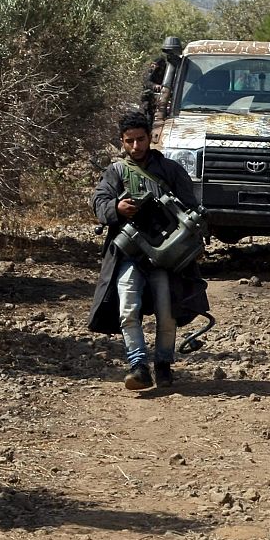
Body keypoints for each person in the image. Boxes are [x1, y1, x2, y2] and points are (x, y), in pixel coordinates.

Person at [87, 110, 202, 390]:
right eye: (130, 141)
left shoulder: (171, 170)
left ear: (150, 138)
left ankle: (163, 365)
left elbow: (192, 207)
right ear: (122, 142)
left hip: (165, 256)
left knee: (167, 312)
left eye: (141, 139)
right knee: (127, 308)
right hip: (130, 254)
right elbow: (99, 201)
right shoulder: (115, 172)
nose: (136, 146)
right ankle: (138, 366)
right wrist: (116, 208)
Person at [140, 36, 184, 130]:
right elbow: (147, 81)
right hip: (155, 102)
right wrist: (155, 86)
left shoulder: (180, 64)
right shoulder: (159, 63)